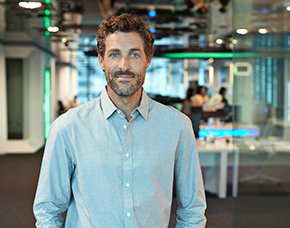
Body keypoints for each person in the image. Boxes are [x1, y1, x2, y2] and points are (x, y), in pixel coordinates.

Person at [33, 13, 207, 228]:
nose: (124, 66)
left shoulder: (177, 126)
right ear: (101, 60)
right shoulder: (68, 127)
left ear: (148, 59)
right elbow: (47, 209)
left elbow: (193, 210)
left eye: (134, 55)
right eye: (115, 54)